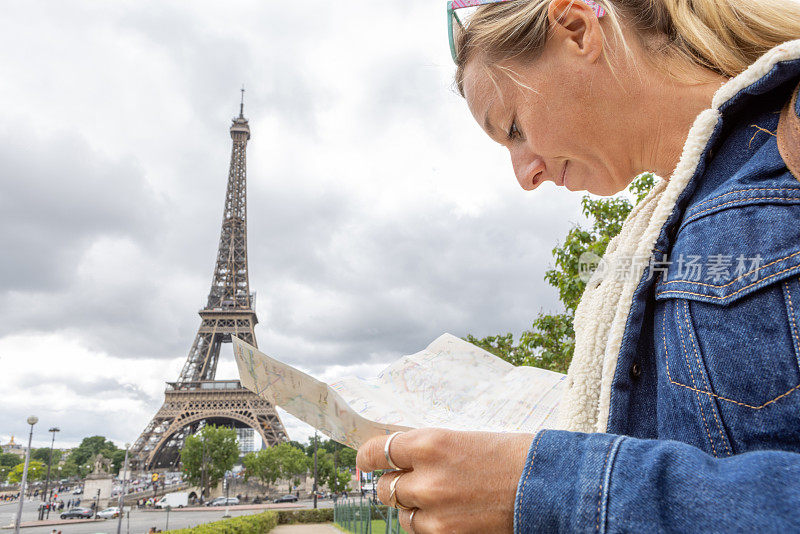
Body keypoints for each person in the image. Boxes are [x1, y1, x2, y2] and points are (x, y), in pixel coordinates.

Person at [356, 0, 800, 532]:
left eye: (514, 127)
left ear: (576, 29)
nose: (524, 176)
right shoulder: (653, 241)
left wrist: (543, 484)